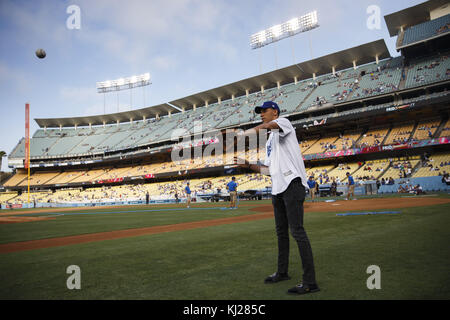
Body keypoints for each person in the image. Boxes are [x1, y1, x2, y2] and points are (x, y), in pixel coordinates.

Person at [234, 100, 319, 295]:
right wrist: (248, 165)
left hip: (293, 185)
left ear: (275, 111)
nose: (262, 114)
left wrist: (243, 134)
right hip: (278, 189)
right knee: (281, 233)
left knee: (297, 231)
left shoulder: (284, 122)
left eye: (265, 111)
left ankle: (310, 281)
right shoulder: (270, 140)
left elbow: (266, 126)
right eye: (260, 112)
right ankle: (282, 272)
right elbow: (267, 170)